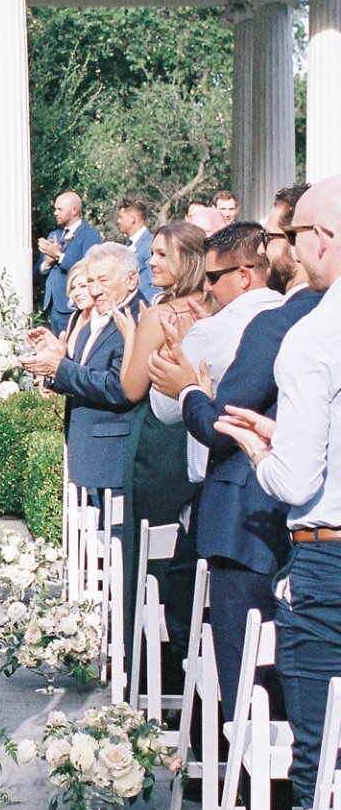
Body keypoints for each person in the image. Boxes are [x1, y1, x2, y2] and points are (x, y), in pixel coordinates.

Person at [215, 175, 341, 810]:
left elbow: (294, 482)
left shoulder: (315, 337)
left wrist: (262, 450)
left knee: (324, 761)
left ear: (321, 238)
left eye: (296, 238)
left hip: (329, 563)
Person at [147, 222, 282, 668]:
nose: (207, 289)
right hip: (286, 501)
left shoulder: (215, 330)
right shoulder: (291, 315)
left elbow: (168, 411)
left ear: (243, 276)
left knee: (201, 618)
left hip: (228, 497)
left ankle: (209, 724)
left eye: (213, 278)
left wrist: (188, 385)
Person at [113, 222, 207, 661]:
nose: (151, 261)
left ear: (188, 261)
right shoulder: (214, 310)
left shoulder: (158, 316)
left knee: (150, 559)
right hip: (202, 438)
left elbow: (131, 388)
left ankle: (152, 668)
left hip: (161, 447)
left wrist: (132, 337)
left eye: (162, 255)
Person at [23, 242, 141, 505]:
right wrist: (54, 363)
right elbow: (82, 374)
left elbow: (118, 387)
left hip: (114, 458)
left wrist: (60, 366)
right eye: (90, 281)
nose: (95, 290)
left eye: (103, 281)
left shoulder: (137, 318)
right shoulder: (97, 317)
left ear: (131, 280)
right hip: (89, 453)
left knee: (114, 541)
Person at [36, 192, 101, 335]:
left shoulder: (90, 235)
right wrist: (47, 262)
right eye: (55, 208)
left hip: (74, 305)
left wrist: (59, 255)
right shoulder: (53, 234)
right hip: (51, 306)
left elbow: (88, 269)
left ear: (74, 210)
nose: (55, 213)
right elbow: (37, 272)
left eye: (60, 209)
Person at [116, 197, 155, 304]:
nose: (118, 221)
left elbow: (155, 285)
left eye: (121, 217)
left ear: (133, 219)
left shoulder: (150, 244)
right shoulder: (129, 244)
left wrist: (144, 308)